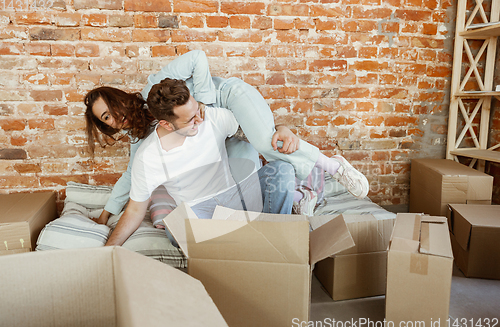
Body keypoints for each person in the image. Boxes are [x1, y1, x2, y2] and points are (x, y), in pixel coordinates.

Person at [85, 50, 369, 224]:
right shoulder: (144, 138)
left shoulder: (155, 87)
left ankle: (334, 166)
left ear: (120, 98)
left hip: (229, 99)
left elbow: (197, 57)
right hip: (222, 130)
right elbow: (131, 178)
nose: (114, 117)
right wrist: (106, 215)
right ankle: (297, 194)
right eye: (106, 117)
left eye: (112, 108)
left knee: (263, 142)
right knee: (242, 176)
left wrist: (207, 108)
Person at [105, 78, 296, 246]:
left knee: (282, 170)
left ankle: (271, 241)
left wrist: (282, 128)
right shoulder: (148, 158)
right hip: (201, 213)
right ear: (166, 124)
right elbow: (135, 210)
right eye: (190, 119)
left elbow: (257, 134)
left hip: (235, 198)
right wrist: (109, 249)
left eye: (197, 109)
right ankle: (240, 240)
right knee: (174, 229)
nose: (199, 119)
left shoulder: (210, 117)